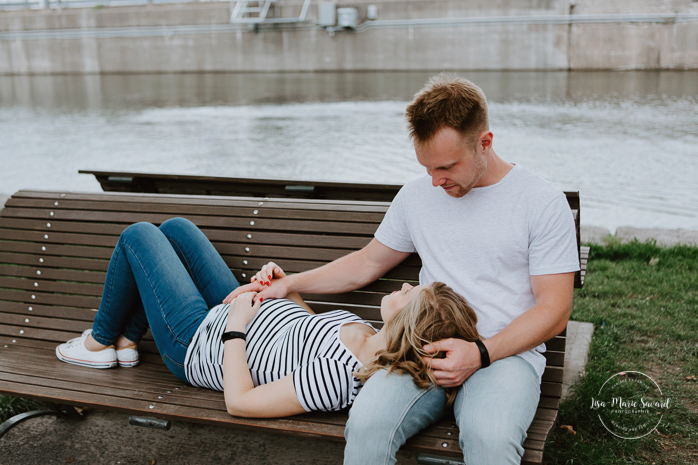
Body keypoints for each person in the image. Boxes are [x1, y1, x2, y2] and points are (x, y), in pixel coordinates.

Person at [227, 73, 581, 463]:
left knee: (491, 441)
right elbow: (367, 262)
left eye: (446, 166)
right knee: (365, 427)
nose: (435, 182)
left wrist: (481, 353)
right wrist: (290, 283)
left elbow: (554, 309)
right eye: (427, 168)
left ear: (485, 142)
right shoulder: (417, 195)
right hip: (417, 349)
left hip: (504, 355)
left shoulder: (540, 202)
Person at [55, 217, 480, 418]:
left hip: (200, 344)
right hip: (239, 311)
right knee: (177, 229)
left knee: (139, 236)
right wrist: (282, 288)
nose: (404, 286)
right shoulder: (367, 333)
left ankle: (99, 343)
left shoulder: (340, 377)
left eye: (411, 293)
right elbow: (304, 330)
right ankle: (128, 342)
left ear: (408, 325)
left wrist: (238, 324)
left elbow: (239, 402)